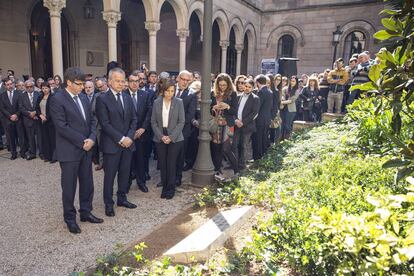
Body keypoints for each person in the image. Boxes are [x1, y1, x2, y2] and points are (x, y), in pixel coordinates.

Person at [50, 67, 103, 234]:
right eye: (79, 84)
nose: (82, 87)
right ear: (69, 83)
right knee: (69, 187)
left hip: (86, 149)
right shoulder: (57, 99)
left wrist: (92, 138)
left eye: (83, 84)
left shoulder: (83, 97)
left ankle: (86, 212)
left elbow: (92, 120)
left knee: (87, 184)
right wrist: (83, 141)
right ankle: (70, 219)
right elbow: (61, 126)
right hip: (69, 151)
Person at [96, 67, 138, 217]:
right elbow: (105, 124)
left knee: (125, 174)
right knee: (110, 176)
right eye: (118, 81)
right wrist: (122, 139)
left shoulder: (127, 97)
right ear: (110, 81)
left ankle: (122, 198)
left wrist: (130, 137)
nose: (121, 84)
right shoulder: (102, 99)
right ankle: (109, 203)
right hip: (112, 145)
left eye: (122, 81)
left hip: (127, 144)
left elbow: (134, 119)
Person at [151, 79, 185, 199]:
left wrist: (171, 137)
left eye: (172, 91)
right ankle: (164, 187)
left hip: (175, 138)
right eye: (168, 91)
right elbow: (153, 122)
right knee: (163, 164)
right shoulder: (156, 102)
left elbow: (181, 122)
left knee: (171, 164)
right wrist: (161, 136)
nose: (170, 93)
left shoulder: (179, 102)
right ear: (163, 91)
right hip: (160, 135)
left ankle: (171, 189)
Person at [125, 71, 152, 193]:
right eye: (132, 81)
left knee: (141, 160)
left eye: (137, 81)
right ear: (128, 82)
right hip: (127, 135)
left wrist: (143, 128)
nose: (135, 84)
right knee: (127, 162)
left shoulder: (144, 95)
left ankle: (141, 182)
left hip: (141, 133)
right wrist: (130, 133)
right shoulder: (123, 95)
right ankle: (126, 184)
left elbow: (149, 113)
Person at [210, 73, 239, 175]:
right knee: (216, 148)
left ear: (228, 85)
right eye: (220, 85)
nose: (222, 87)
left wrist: (227, 106)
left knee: (226, 149)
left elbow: (235, 111)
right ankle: (217, 170)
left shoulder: (233, 94)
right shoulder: (213, 93)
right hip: (216, 124)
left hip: (228, 124)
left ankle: (237, 171)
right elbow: (209, 109)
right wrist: (213, 108)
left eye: (224, 85)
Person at [233, 79, 260, 170]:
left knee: (243, 146)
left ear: (253, 88)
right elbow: (234, 110)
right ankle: (234, 164)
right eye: (246, 86)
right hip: (237, 125)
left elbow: (254, 113)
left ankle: (241, 166)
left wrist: (243, 122)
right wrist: (236, 120)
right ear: (243, 86)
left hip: (247, 126)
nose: (247, 88)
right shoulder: (238, 96)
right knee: (235, 145)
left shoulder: (255, 98)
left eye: (249, 87)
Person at [175, 70, 196, 178]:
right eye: (183, 79)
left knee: (180, 156)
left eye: (187, 80)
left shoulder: (192, 94)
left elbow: (190, 115)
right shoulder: (170, 89)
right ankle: (166, 179)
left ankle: (177, 178)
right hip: (167, 129)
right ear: (178, 78)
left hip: (183, 131)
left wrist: (177, 127)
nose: (185, 82)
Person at [0, 78, 26, 159]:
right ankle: (13, 153)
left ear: (13, 84)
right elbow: (2, 108)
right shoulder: (2, 95)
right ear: (5, 86)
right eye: (7, 85)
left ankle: (23, 152)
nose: (10, 86)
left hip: (18, 119)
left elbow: (21, 106)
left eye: (11, 84)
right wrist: (10, 116)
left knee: (21, 137)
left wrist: (16, 115)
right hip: (8, 120)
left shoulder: (19, 93)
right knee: (11, 138)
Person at [19, 80, 41, 160]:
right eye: (27, 87)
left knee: (40, 137)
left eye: (31, 86)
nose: (29, 88)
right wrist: (30, 114)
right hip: (28, 120)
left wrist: (35, 112)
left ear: (33, 86)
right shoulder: (22, 96)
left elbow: (40, 106)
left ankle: (41, 153)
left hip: (38, 119)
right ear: (25, 87)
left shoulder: (38, 94)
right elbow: (21, 107)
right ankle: (32, 153)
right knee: (30, 137)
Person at [37, 83, 56, 162]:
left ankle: (54, 157)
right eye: (43, 88)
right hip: (42, 121)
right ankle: (47, 156)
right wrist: (40, 115)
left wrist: (46, 118)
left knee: (52, 139)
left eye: (46, 88)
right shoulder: (40, 97)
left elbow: (53, 110)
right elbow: (36, 107)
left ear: (49, 88)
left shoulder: (53, 97)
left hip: (51, 122)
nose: (44, 90)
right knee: (45, 139)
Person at [280, 75, 300, 140]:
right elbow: (282, 95)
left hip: (291, 110)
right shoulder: (285, 88)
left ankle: (288, 139)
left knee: (287, 125)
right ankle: (281, 139)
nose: (292, 82)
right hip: (283, 108)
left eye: (294, 81)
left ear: (296, 82)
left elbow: (291, 101)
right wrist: (282, 99)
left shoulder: (297, 91)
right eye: (291, 81)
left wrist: (281, 102)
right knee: (282, 124)